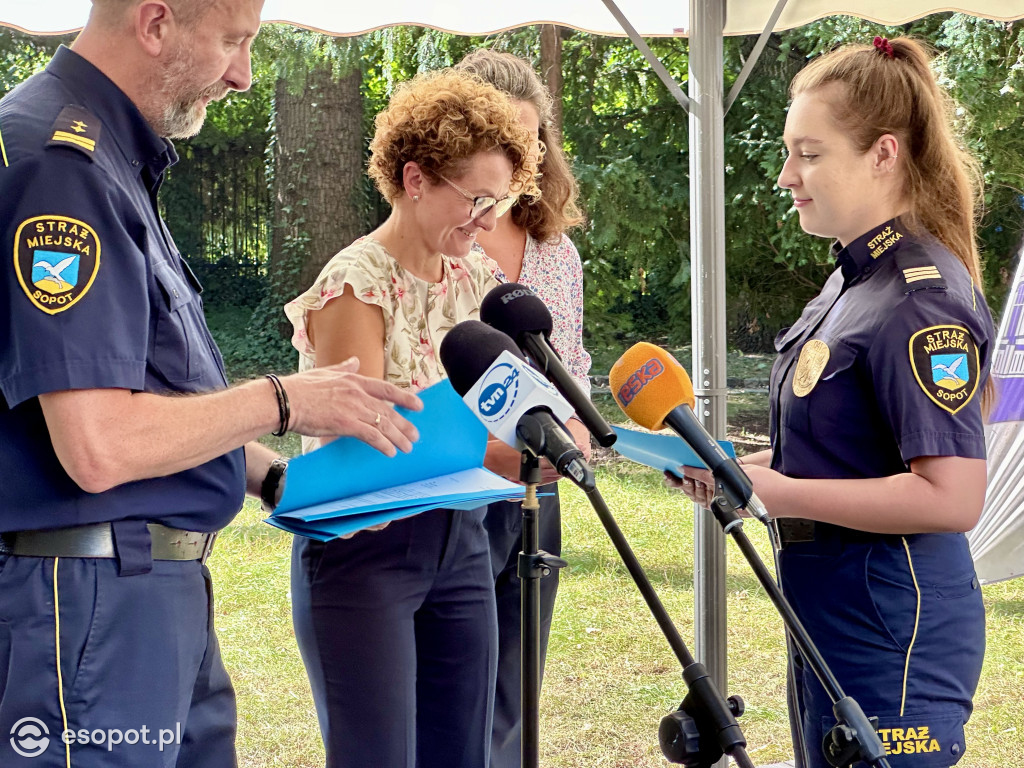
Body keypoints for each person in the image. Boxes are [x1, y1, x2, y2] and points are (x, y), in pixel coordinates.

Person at [0, 2, 422, 766]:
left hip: (146, 595)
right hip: (92, 601)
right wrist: (286, 398)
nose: (242, 75)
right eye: (234, 42)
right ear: (156, 22)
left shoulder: (113, 161)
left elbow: (144, 395)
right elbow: (97, 446)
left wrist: (276, 478)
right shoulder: (63, 169)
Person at [671, 37, 991, 768]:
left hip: (891, 622)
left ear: (883, 154)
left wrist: (775, 492)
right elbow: (835, 453)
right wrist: (735, 468)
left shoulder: (920, 299)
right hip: (832, 611)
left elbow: (952, 497)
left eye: (809, 154)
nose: (787, 176)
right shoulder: (852, 283)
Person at [284, 68, 536, 768]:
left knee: (465, 752)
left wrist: (545, 434)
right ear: (417, 178)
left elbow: (509, 410)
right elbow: (375, 440)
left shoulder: (479, 281)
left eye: (501, 200)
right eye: (478, 199)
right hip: (365, 550)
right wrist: (506, 453)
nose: (489, 219)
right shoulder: (355, 284)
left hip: (461, 541)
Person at [454, 48, 592, 768]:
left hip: (541, 497)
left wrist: (574, 436)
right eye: (502, 140)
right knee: (460, 698)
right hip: (460, 497)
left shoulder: (555, 251)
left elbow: (572, 364)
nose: (518, 158)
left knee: (515, 704)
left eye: (531, 140)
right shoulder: (439, 244)